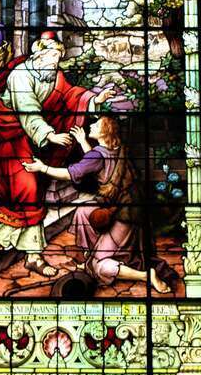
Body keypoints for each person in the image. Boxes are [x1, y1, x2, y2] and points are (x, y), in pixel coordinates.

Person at [0, 31, 114, 277]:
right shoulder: (20, 76)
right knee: (28, 187)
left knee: (8, 187)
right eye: (53, 56)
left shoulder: (53, 74)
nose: (56, 62)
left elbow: (70, 94)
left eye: (58, 57)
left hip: (28, 137)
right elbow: (28, 111)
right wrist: (50, 136)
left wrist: (93, 99)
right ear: (40, 54)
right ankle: (33, 256)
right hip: (7, 134)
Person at [23, 116, 176, 293]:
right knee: (83, 212)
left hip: (124, 215)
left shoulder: (98, 154)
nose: (92, 125)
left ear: (104, 132)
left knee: (101, 267)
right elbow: (96, 161)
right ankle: (90, 256)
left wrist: (43, 168)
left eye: (96, 124)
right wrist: (82, 141)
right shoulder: (116, 148)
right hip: (125, 205)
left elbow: (71, 173)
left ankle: (145, 275)